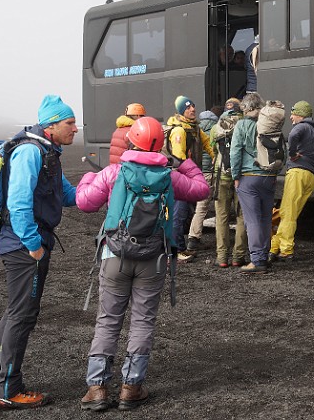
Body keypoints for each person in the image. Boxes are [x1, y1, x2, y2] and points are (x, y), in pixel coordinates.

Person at [76, 117, 209, 411]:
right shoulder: (169, 176)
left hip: (115, 256)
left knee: (108, 320)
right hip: (154, 258)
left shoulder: (114, 172)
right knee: (143, 321)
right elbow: (201, 190)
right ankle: (131, 388)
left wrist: (87, 178)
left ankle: (97, 388)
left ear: (131, 140)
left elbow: (84, 202)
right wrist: (184, 162)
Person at [0, 95, 78, 410]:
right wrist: (33, 246)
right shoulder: (30, 153)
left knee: (14, 313)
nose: (76, 128)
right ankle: (8, 389)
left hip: (25, 244)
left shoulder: (48, 153)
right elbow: (19, 203)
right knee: (22, 315)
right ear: (51, 126)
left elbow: (69, 196)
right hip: (24, 247)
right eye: (69, 123)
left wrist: (105, 183)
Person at [270, 101, 314, 261]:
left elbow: (293, 136)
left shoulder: (301, 127)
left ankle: (286, 250)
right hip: (311, 177)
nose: (291, 117)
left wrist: (292, 153)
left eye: (293, 113)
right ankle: (274, 248)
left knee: (288, 214)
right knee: (291, 213)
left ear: (301, 115)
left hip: (297, 173)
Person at [229, 93, 277, 273]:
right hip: (269, 176)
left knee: (252, 220)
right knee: (266, 218)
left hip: (249, 177)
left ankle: (257, 261)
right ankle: (264, 256)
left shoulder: (242, 125)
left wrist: (235, 175)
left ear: (246, 108)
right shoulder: (270, 123)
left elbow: (235, 152)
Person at [165, 95, 215, 263]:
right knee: (178, 214)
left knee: (184, 213)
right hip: (182, 178)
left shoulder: (194, 128)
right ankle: (177, 250)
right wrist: (189, 178)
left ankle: (179, 247)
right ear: (181, 111)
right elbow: (179, 158)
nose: (192, 109)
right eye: (188, 108)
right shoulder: (180, 130)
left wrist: (215, 155)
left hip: (189, 176)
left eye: (193, 106)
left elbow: (207, 143)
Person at [210, 97, 248, 267]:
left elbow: (213, 150)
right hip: (242, 177)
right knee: (242, 216)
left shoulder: (216, 127)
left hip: (222, 176)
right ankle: (238, 256)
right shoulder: (246, 124)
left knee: (222, 217)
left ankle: (222, 257)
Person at [186, 109, 219, 252]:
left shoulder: (195, 129)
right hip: (213, 171)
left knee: (200, 207)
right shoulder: (217, 129)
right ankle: (220, 239)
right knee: (219, 205)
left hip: (199, 172)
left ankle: (193, 238)